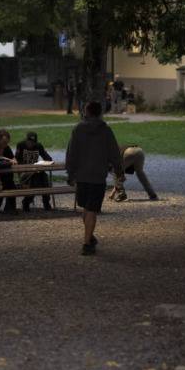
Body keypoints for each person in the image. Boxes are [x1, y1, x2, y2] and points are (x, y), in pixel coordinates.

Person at [66, 101, 123, 255]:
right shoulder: (106, 131)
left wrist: (71, 173)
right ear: (99, 113)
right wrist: (119, 171)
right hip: (98, 176)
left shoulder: (78, 129)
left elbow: (72, 152)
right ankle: (87, 242)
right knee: (90, 209)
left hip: (82, 176)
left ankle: (88, 238)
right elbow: (114, 153)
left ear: (87, 112)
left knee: (87, 208)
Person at [15, 131, 54, 212]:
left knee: (44, 178)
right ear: (26, 140)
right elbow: (17, 160)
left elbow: (46, 157)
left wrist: (49, 161)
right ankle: (26, 202)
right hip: (24, 172)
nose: (31, 144)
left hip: (35, 171)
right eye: (29, 142)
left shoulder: (38, 146)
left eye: (33, 142)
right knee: (35, 181)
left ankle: (46, 202)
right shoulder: (20, 145)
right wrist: (27, 168)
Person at [0, 129, 18, 215]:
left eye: (7, 142)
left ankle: (10, 209)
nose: (5, 144)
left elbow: (13, 158)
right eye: (3, 142)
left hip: (7, 177)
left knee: (12, 187)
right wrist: (7, 159)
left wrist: (13, 160)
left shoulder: (7, 148)